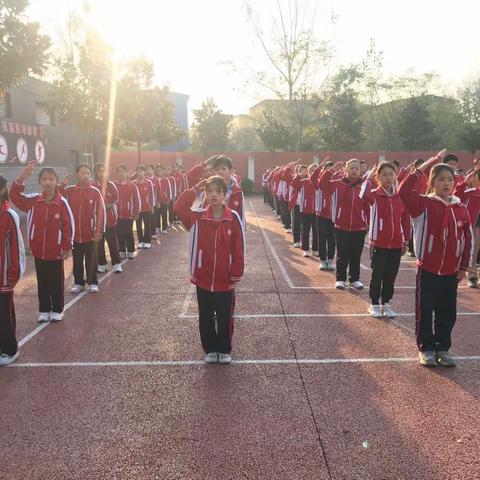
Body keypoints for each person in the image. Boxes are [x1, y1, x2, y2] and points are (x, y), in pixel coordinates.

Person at [399, 149, 473, 367]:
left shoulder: (460, 209)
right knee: (425, 310)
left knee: (447, 312)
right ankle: (426, 348)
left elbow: (467, 239)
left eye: (450, 179)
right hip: (428, 270)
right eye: (440, 179)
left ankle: (443, 347)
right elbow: (404, 190)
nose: (446, 183)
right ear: (432, 183)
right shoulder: (423, 205)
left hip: (451, 272)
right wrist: (429, 163)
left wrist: (463, 267)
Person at [174, 176, 245, 365]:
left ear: (225, 195)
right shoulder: (197, 217)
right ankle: (210, 348)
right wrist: (196, 187)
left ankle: (224, 349)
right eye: (209, 190)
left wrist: (236, 271)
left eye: (218, 191)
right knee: (205, 316)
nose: (213, 195)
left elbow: (239, 246)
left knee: (224, 316)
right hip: (203, 276)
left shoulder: (233, 217)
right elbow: (178, 207)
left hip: (225, 277)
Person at [10, 162, 74, 322]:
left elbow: (68, 225)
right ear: (40, 181)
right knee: (43, 281)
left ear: (56, 182)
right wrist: (20, 179)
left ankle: (57, 309)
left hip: (56, 251)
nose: (47, 182)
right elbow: (15, 197)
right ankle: (44, 310)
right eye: (44, 179)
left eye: (51, 179)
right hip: (38, 251)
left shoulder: (62, 203)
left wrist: (66, 246)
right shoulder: (33, 201)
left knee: (56, 282)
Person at [362, 162, 410, 318]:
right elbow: (362, 195)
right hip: (379, 243)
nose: (388, 177)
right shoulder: (374, 195)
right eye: (384, 174)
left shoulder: (400, 196)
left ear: (395, 175)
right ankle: (374, 303)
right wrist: (368, 178)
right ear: (378, 177)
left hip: (396, 243)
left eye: (391, 174)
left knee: (391, 275)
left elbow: (405, 220)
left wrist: (406, 241)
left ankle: (386, 302)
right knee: (377, 274)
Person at [319, 159, 369, 289]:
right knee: (342, 253)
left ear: (360, 171)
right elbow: (321, 184)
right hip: (341, 226)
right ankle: (340, 278)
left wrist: (367, 222)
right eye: (351, 168)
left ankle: (354, 279)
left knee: (356, 254)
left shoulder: (364, 185)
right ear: (345, 170)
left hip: (359, 227)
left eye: (356, 168)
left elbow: (368, 206)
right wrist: (331, 170)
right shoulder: (337, 184)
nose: (354, 170)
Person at [60, 164, 105, 294]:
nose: (86, 176)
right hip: (75, 235)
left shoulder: (95, 192)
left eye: (88, 173)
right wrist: (62, 185)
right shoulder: (70, 190)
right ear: (77, 175)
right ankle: (79, 283)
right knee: (77, 260)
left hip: (90, 234)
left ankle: (92, 282)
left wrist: (99, 230)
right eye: (83, 173)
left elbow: (101, 213)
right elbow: (57, 195)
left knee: (91, 260)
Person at [0, 174, 26, 366]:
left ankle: (10, 350)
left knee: (4, 316)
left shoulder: (9, 215)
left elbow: (16, 247)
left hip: (3, 277)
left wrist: (13, 275)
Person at [92, 164, 122, 274]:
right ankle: (102, 264)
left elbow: (116, 196)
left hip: (109, 220)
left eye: (104, 171)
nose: (102, 173)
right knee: (99, 243)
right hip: (97, 221)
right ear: (95, 172)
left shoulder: (110, 185)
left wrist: (109, 203)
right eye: (99, 171)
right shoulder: (92, 185)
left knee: (113, 242)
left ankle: (116, 264)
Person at [454, 163, 480, 287]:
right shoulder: (470, 192)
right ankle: (472, 276)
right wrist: (465, 182)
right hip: (475, 225)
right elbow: (456, 195)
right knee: (473, 250)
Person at [310, 158, 336, 271]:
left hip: (334, 216)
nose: (330, 171)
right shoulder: (319, 183)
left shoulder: (337, 184)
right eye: (328, 169)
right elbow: (312, 178)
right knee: (322, 238)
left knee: (332, 239)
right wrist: (319, 167)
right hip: (321, 215)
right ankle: (322, 260)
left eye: (332, 169)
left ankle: (330, 260)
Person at [291, 164, 318, 257]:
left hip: (317, 211)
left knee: (316, 230)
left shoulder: (319, 182)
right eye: (312, 170)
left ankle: (315, 249)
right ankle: (305, 249)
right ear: (309, 172)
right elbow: (294, 184)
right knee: (305, 229)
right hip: (305, 210)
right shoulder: (303, 181)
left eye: (316, 170)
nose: (314, 172)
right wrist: (300, 174)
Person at [115, 165, 141, 258]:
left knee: (128, 233)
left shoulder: (132, 186)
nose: (121, 173)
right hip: (117, 215)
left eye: (123, 171)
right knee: (119, 233)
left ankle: (130, 250)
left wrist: (136, 212)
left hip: (129, 215)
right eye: (119, 172)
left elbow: (137, 200)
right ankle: (122, 250)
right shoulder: (114, 185)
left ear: (126, 173)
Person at [132, 165, 155, 249]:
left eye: (141, 171)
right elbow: (132, 197)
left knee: (147, 225)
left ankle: (147, 241)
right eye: (138, 171)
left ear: (144, 172)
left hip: (147, 208)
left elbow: (152, 195)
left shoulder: (149, 182)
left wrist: (152, 206)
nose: (139, 173)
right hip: (137, 209)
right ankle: (141, 241)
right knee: (138, 225)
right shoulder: (134, 183)